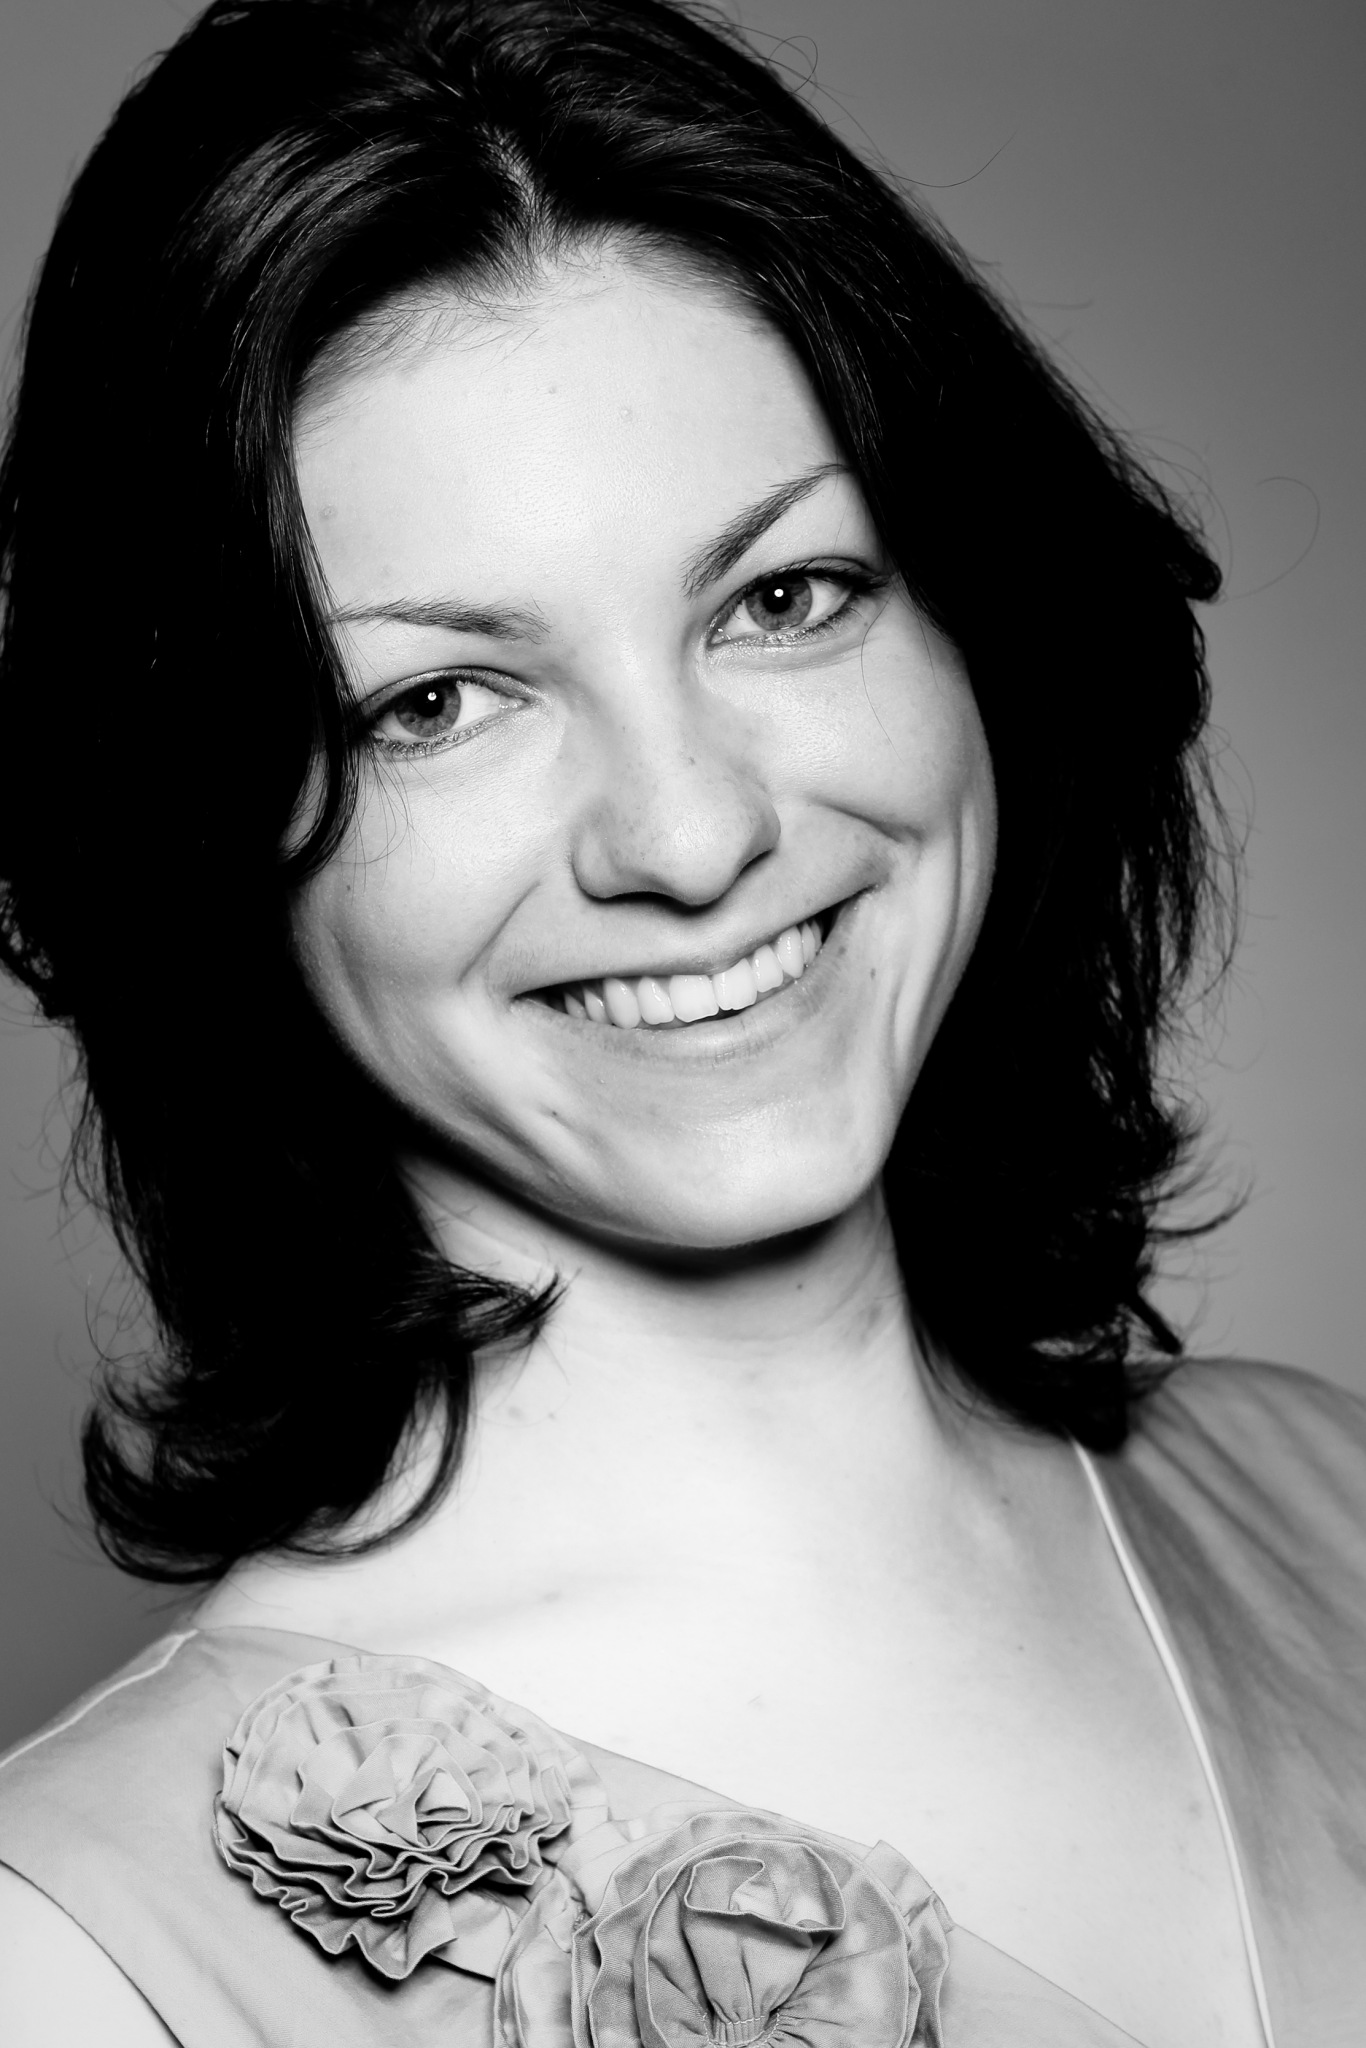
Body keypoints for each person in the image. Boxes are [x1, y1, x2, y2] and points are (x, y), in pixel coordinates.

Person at [0, 1, 1361, 2042]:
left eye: (781, 599)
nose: (693, 832)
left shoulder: (1329, 1499)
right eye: (437, 703)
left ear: (977, 619)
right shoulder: (82, 1962)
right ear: (198, 835)